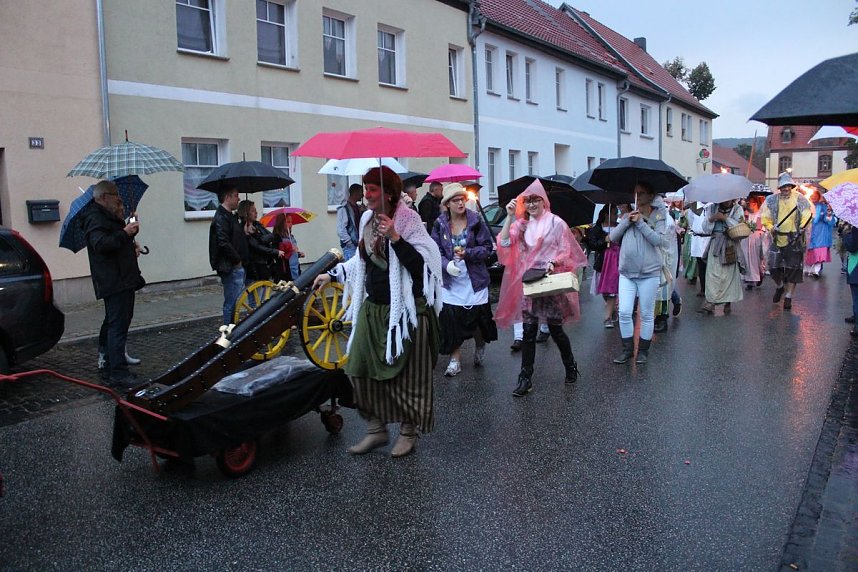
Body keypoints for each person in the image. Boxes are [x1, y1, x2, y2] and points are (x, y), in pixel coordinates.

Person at [312, 166, 443, 458]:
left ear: (389, 193)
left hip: (407, 313)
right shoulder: (367, 219)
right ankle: (376, 429)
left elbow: (423, 269)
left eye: (372, 189)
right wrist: (332, 275)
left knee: (410, 378)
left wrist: (396, 237)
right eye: (365, 188)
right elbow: (362, 260)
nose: (367, 194)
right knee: (357, 368)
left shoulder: (409, 221)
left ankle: (408, 431)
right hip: (373, 309)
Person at [495, 179, 587, 397]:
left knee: (556, 330)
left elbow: (566, 250)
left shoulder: (556, 223)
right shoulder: (521, 225)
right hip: (528, 283)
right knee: (528, 331)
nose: (532, 204)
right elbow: (504, 243)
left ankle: (570, 364)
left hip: (549, 282)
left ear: (544, 201)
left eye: (536, 200)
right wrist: (509, 216)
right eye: (528, 201)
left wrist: (553, 262)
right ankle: (525, 378)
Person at [81, 180, 146, 387]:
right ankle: (118, 372)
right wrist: (125, 232)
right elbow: (101, 244)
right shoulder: (95, 218)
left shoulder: (106, 216)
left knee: (113, 322)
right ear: (103, 197)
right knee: (118, 326)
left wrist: (130, 238)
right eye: (115, 194)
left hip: (121, 278)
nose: (119, 198)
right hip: (115, 280)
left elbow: (114, 242)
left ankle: (109, 363)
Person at [430, 183, 498, 377]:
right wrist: (446, 265)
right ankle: (455, 360)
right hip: (451, 281)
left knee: (477, 320)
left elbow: (487, 248)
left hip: (474, 279)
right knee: (452, 321)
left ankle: (480, 344)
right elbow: (434, 250)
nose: (460, 203)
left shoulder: (475, 221)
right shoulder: (440, 224)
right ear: (447, 204)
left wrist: (468, 253)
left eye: (462, 199)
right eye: (455, 200)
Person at [609, 181, 671, 365]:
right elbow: (612, 237)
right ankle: (627, 350)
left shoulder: (659, 215)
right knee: (624, 311)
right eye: (636, 193)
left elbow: (658, 240)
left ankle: (643, 351)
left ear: (651, 195)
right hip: (627, 272)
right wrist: (627, 221)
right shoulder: (628, 215)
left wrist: (641, 223)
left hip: (649, 273)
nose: (638, 196)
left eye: (642, 193)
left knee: (646, 313)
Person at [761, 173, 813, 310]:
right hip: (777, 238)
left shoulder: (800, 199)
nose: (786, 188)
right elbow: (765, 217)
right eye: (784, 186)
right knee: (773, 267)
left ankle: (789, 296)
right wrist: (771, 227)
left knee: (793, 269)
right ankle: (780, 286)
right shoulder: (771, 200)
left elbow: (807, 215)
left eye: (788, 186)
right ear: (779, 187)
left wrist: (802, 226)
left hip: (794, 238)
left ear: (791, 186)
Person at [697, 200, 746, 315]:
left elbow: (740, 226)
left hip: (730, 244)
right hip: (716, 243)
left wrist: (725, 219)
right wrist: (712, 218)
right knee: (713, 274)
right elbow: (705, 228)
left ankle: (728, 301)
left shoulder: (737, 209)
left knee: (728, 275)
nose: (727, 201)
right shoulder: (712, 208)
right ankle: (710, 302)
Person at [209, 186, 249, 325]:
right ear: (227, 197)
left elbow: (234, 237)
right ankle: (228, 330)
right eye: (236, 195)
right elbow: (223, 242)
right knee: (231, 302)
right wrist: (237, 260)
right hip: (230, 266)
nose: (239, 198)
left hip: (234, 265)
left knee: (235, 302)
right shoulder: (221, 217)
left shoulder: (229, 216)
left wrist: (244, 228)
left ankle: (232, 328)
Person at [586, 204, 625, 328]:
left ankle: (607, 317)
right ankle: (612, 310)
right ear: (607, 214)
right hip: (603, 263)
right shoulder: (598, 228)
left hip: (616, 262)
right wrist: (604, 241)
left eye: (616, 213)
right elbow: (593, 245)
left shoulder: (620, 227)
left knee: (612, 289)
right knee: (604, 290)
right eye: (614, 213)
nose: (616, 216)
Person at [237, 200, 286, 283]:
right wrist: (275, 252)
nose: (256, 212)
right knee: (256, 288)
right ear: (246, 213)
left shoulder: (257, 225)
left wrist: (258, 235)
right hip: (254, 267)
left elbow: (270, 236)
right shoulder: (243, 229)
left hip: (265, 264)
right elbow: (257, 246)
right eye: (253, 210)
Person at [803, 194, 836, 279]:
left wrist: (828, 214)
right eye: (812, 196)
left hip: (821, 233)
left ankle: (816, 270)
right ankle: (808, 269)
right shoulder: (805, 205)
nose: (813, 197)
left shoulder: (823, 207)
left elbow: (829, 220)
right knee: (809, 250)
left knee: (820, 251)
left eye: (815, 196)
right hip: (809, 231)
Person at [337, 184, 364, 260]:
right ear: (355, 193)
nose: (363, 195)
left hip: (358, 244)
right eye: (361, 192)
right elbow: (341, 230)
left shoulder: (358, 207)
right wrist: (350, 243)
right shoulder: (344, 208)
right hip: (350, 247)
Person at [273, 213, 304, 279]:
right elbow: (279, 255)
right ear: (281, 224)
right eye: (288, 222)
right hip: (286, 270)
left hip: (296, 268)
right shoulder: (278, 238)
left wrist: (299, 254)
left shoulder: (291, 237)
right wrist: (290, 249)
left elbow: (294, 252)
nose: (291, 224)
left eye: (291, 222)